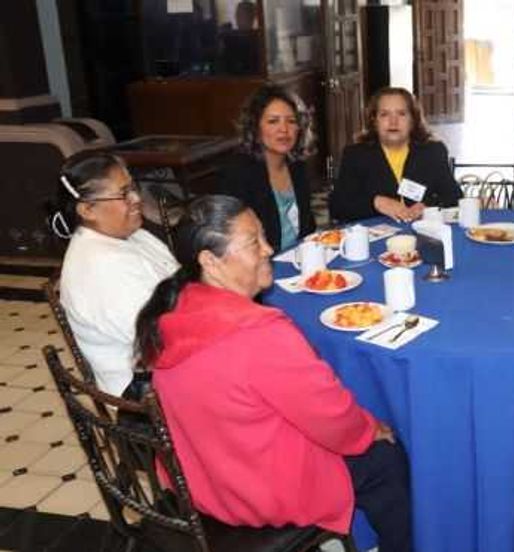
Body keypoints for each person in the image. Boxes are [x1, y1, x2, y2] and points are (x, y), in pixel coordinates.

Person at [134, 195, 412, 550]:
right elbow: (333, 419)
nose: (269, 249)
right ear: (210, 260)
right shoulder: (259, 333)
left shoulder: (174, 310)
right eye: (254, 243)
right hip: (252, 491)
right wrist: (371, 428)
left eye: (264, 237)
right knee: (386, 459)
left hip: (201, 476)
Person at [52, 153, 178, 397]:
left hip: (170, 360)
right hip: (146, 396)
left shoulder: (130, 233)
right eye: (123, 194)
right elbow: (161, 341)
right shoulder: (101, 269)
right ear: (88, 209)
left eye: (133, 187)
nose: (136, 199)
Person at [329, 87, 461, 223]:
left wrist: (429, 206)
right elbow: (338, 206)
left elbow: (454, 197)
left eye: (401, 114)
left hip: (424, 233)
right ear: (374, 121)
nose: (393, 122)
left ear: (412, 120)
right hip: (374, 237)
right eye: (385, 114)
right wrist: (376, 203)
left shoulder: (433, 152)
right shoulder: (356, 155)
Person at [218, 84, 316, 252]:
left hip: (299, 259)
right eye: (273, 121)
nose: (284, 129)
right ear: (255, 127)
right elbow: (234, 241)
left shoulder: (297, 165)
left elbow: (308, 228)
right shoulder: (238, 172)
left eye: (291, 121)